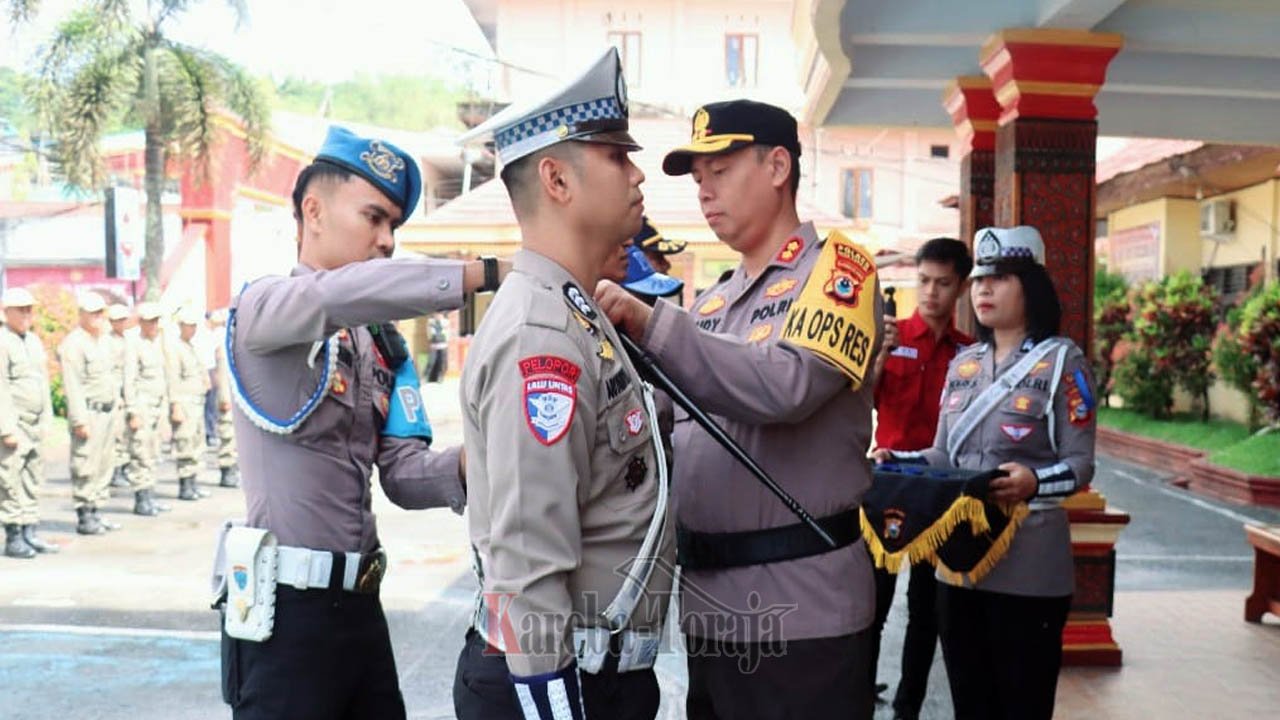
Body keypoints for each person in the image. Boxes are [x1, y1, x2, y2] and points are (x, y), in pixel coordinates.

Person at [596, 99, 883, 720]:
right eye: (698, 178)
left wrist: (651, 323)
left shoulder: (840, 272)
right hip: (711, 613)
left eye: (720, 171)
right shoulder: (712, 303)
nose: (705, 191)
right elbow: (661, 424)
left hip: (804, 613)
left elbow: (787, 386)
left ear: (778, 165)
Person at [218, 124, 505, 720]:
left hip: (360, 611)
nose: (386, 241)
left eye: (395, 227)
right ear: (313, 211)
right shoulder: (264, 310)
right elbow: (336, 297)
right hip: (285, 617)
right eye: (373, 217)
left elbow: (402, 473)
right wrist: (489, 273)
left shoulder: (383, 347)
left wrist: (484, 458)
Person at [452, 47, 674, 720]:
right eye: (615, 155)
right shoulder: (541, 337)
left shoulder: (574, 314)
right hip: (558, 684)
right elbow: (530, 565)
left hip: (599, 676)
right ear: (556, 179)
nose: (637, 175)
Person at [872, 226, 1096, 720]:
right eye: (980, 280)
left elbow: (1082, 464)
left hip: (1030, 569)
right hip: (961, 567)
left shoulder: (1063, 362)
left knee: (1021, 705)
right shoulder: (964, 363)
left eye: (1002, 278)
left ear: (1031, 287)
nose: (985, 290)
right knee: (970, 704)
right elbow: (942, 455)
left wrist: (1033, 482)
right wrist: (896, 463)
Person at [866, 237, 973, 720]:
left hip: (941, 495)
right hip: (886, 487)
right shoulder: (890, 339)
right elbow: (856, 401)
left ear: (961, 288)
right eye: (924, 281)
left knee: (927, 607)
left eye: (943, 283)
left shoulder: (971, 355)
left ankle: (908, 706)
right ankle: (859, 693)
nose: (931, 292)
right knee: (873, 604)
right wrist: (877, 360)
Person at [1, 287, 58, 558]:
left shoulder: (33, 341)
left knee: (31, 478)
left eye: (29, 309)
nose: (26, 314)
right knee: (10, 479)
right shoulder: (3, 341)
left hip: (34, 423)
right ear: (6, 311)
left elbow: (42, 382)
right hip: (15, 424)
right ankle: (13, 536)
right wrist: (6, 427)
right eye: (20, 309)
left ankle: (29, 531)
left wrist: (47, 417)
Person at [59, 292, 122, 535]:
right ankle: (85, 514)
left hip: (107, 412)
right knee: (85, 463)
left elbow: (112, 376)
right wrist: (79, 419)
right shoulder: (74, 344)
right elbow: (72, 385)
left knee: (105, 463)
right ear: (82, 315)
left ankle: (97, 510)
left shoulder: (104, 341)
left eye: (100, 313)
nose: (97, 318)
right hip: (89, 413)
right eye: (92, 313)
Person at [122, 302, 171, 515]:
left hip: (157, 404)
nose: (153, 325)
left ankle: (150, 495)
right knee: (140, 451)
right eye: (149, 321)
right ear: (141, 322)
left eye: (156, 321)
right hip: (142, 404)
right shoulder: (133, 343)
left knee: (153, 451)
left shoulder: (159, 343)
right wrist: (132, 410)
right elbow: (129, 379)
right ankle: (141, 498)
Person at [168, 306, 210, 502]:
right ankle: (185, 484)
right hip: (184, 402)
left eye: (194, 326)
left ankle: (193, 482)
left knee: (196, 443)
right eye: (188, 325)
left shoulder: (191, 347)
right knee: (185, 442)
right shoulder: (175, 348)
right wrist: (175, 404)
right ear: (181, 326)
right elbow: (173, 378)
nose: (191, 329)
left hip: (196, 401)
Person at [208, 309, 239, 487]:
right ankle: (227, 471)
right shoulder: (223, 342)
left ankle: (232, 470)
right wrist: (224, 398)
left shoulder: (235, 340)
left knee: (234, 436)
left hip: (236, 396)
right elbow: (222, 373)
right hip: (227, 395)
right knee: (227, 433)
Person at [106, 304, 132, 488]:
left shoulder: (128, 340)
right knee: (116, 434)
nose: (121, 323)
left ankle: (124, 468)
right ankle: (115, 471)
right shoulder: (108, 342)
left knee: (125, 434)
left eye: (123, 319)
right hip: (114, 392)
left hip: (127, 389)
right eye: (118, 320)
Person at [425, 312, 449, 383]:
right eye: (436, 314)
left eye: (439, 314)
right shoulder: (431, 322)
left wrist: (446, 340)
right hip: (434, 345)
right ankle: (428, 377)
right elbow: (429, 334)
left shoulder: (445, 322)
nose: (438, 316)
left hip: (443, 345)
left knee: (441, 362)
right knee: (431, 361)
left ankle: (440, 377)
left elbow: (447, 333)